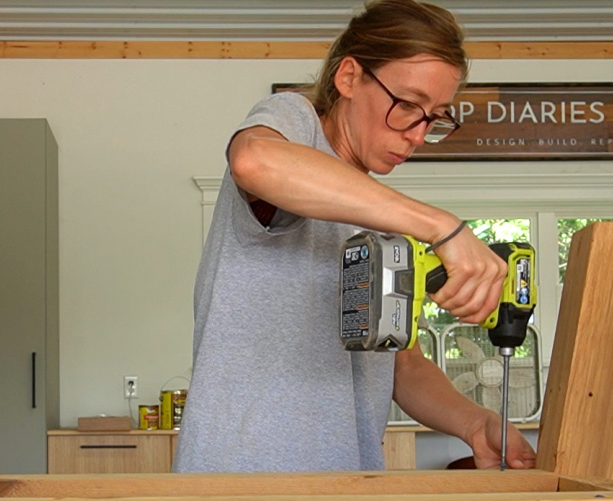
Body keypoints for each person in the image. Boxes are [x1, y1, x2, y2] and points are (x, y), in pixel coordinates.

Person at [173, 0, 537, 473]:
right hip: (244, 475)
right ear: (348, 77)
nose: (417, 134)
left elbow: (402, 367)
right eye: (407, 105)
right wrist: (442, 227)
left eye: (435, 117)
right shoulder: (296, 125)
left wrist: (474, 423)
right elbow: (254, 161)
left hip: (347, 476)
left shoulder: (380, 220)